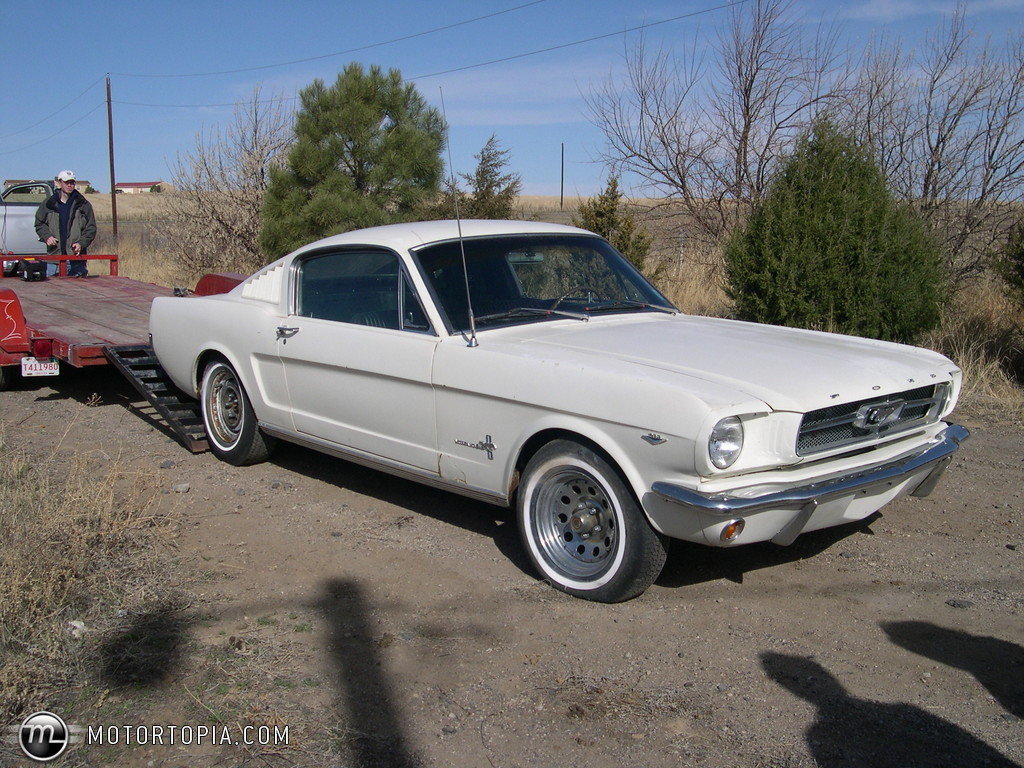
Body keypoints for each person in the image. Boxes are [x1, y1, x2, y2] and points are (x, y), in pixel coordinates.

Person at [34, 170, 96, 277]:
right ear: (59, 182)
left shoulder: (83, 204)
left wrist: (81, 243)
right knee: (53, 291)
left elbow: (91, 228)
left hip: (76, 259)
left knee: (79, 291)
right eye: (66, 182)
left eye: (72, 182)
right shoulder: (49, 203)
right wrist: (47, 236)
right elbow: (39, 224)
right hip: (54, 258)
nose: (69, 185)